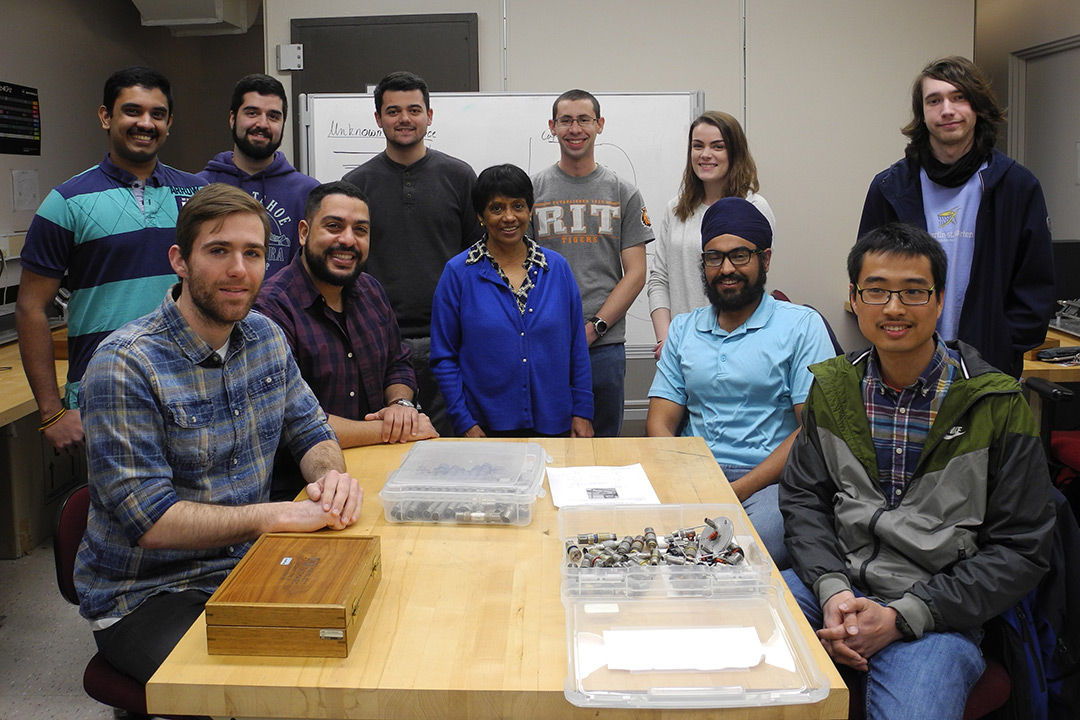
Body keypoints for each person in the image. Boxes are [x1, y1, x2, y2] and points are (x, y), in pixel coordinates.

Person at [74, 183, 363, 686]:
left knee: (354, 644)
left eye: (253, 253)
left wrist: (330, 477)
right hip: (149, 593)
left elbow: (311, 428)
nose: (238, 270)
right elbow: (153, 521)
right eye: (218, 251)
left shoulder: (265, 336)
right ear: (179, 261)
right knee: (267, 687)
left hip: (249, 565)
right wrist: (278, 514)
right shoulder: (125, 364)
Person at [779, 222, 1055, 720]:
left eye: (913, 292)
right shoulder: (834, 388)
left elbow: (1022, 547)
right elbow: (804, 499)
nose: (893, 308)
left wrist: (901, 616)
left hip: (938, 611)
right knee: (729, 663)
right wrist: (833, 590)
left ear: (940, 299)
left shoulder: (997, 405)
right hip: (832, 586)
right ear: (854, 297)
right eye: (877, 290)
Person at [15, 66, 205, 454]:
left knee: (207, 508)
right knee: (123, 513)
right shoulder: (65, 202)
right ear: (106, 116)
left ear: (169, 123)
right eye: (132, 111)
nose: (145, 123)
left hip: (193, 388)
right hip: (104, 395)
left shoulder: (198, 195)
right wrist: (51, 412)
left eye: (157, 114)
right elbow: (31, 308)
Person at [646, 198, 833, 568]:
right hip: (692, 474)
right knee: (641, 544)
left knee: (740, 554)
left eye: (739, 256)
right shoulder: (684, 328)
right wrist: (688, 478)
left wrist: (733, 491)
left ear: (765, 259)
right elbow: (659, 421)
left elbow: (811, 428)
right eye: (714, 258)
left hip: (771, 483)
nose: (726, 269)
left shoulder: (800, 325)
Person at [858, 56, 1055, 377]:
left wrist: (1005, 344)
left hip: (988, 365)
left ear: (977, 107)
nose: (947, 109)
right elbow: (868, 278)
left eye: (958, 97)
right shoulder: (890, 187)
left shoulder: (1017, 186)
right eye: (934, 100)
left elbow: (1035, 283)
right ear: (922, 114)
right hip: (904, 362)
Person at [256, 181, 438, 499]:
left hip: (384, 471)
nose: (348, 240)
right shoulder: (269, 310)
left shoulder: (371, 290)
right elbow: (292, 420)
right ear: (303, 232)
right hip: (303, 491)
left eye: (361, 230)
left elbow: (398, 362)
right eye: (334, 226)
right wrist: (392, 430)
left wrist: (401, 405)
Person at [342, 71, 479, 437]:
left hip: (451, 342)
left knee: (451, 448)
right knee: (387, 445)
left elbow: (479, 260)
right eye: (393, 111)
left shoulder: (461, 177)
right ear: (378, 119)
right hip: (379, 344)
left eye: (414, 110)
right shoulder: (356, 186)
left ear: (429, 116)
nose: (404, 118)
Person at [431, 164, 593, 438]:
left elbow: (576, 347)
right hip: (484, 429)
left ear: (530, 210)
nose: (509, 217)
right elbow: (444, 357)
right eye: (496, 208)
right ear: (480, 215)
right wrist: (464, 422)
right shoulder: (458, 273)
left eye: (518, 206)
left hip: (557, 424)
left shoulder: (556, 269)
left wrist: (583, 412)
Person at [531, 89, 654, 437]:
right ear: (552, 127)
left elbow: (636, 273)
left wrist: (595, 327)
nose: (575, 129)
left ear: (599, 125)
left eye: (584, 119)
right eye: (566, 120)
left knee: (602, 453)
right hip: (545, 342)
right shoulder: (532, 191)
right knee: (547, 446)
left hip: (604, 347)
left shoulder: (623, 192)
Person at [647, 111, 776, 361]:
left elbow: (755, 279)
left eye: (717, 146)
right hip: (682, 348)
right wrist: (667, 339)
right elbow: (659, 279)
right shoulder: (676, 209)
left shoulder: (754, 207)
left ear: (734, 153)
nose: (705, 154)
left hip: (738, 347)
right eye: (698, 146)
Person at [197, 73, 319, 278]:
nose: (262, 124)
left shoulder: (308, 193)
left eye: (273, 116)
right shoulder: (199, 186)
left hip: (283, 310)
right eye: (252, 113)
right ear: (232, 118)